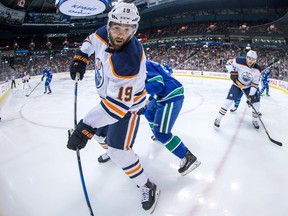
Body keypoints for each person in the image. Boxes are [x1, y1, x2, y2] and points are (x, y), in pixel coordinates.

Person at [67, 2, 160, 213]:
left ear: (134, 30)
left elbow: (117, 109)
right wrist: (81, 56)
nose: (120, 34)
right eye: (117, 27)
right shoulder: (104, 32)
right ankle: (110, 150)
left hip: (127, 109)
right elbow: (91, 40)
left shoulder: (128, 60)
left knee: (119, 150)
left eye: (127, 30)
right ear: (109, 25)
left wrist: (85, 126)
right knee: (100, 136)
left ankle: (147, 185)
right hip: (109, 101)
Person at [97, 60, 201, 176]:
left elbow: (158, 83)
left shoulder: (138, 64)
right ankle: (158, 134)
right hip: (160, 95)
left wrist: (137, 94)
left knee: (161, 133)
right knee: (148, 113)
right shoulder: (140, 62)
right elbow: (163, 75)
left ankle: (188, 157)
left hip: (170, 96)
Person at [214, 50, 262, 129]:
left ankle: (254, 120)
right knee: (228, 102)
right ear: (246, 57)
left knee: (256, 104)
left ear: (255, 60)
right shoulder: (238, 61)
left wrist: (250, 96)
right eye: (249, 58)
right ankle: (218, 119)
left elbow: (255, 84)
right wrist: (232, 72)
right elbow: (228, 63)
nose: (250, 61)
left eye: (253, 59)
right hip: (236, 84)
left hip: (248, 87)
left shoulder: (257, 69)